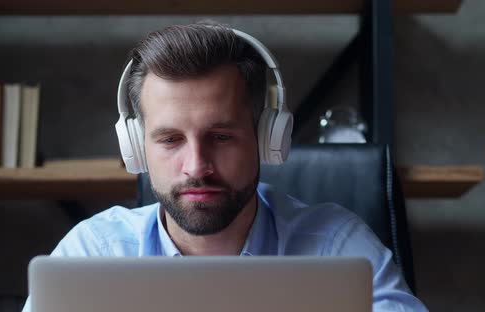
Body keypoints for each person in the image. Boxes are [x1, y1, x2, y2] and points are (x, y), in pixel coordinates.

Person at [22, 22, 427, 311]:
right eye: (170, 140)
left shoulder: (337, 247)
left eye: (221, 137)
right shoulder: (94, 253)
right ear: (136, 149)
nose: (196, 166)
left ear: (267, 140)